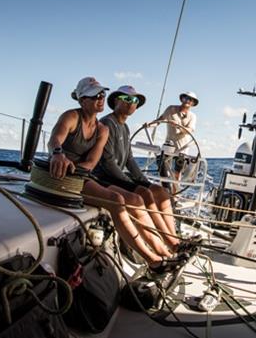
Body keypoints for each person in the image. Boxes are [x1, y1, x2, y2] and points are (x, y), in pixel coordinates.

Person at [48, 77, 183, 273]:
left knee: (134, 197)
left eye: (102, 94)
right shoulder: (72, 117)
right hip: (64, 177)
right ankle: (154, 260)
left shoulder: (101, 129)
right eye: (95, 95)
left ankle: (168, 250)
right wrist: (58, 154)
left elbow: (92, 162)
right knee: (116, 200)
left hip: (81, 176)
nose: (100, 98)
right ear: (81, 99)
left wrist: (75, 168)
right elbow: (55, 139)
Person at [95, 85, 180, 251]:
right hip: (103, 177)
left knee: (160, 191)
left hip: (117, 176)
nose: (131, 103)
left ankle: (173, 238)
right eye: (126, 99)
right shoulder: (107, 123)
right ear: (116, 101)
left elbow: (129, 159)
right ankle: (170, 244)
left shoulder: (125, 127)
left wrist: (144, 181)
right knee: (144, 193)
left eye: (134, 100)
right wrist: (131, 184)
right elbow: (107, 162)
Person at [157, 91, 198, 182]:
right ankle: (165, 189)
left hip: (182, 149)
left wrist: (178, 126)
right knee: (163, 168)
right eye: (186, 98)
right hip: (169, 146)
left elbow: (190, 130)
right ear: (182, 99)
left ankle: (174, 193)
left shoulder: (193, 116)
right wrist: (149, 124)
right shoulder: (171, 109)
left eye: (190, 99)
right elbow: (160, 120)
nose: (187, 100)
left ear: (193, 103)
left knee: (177, 173)